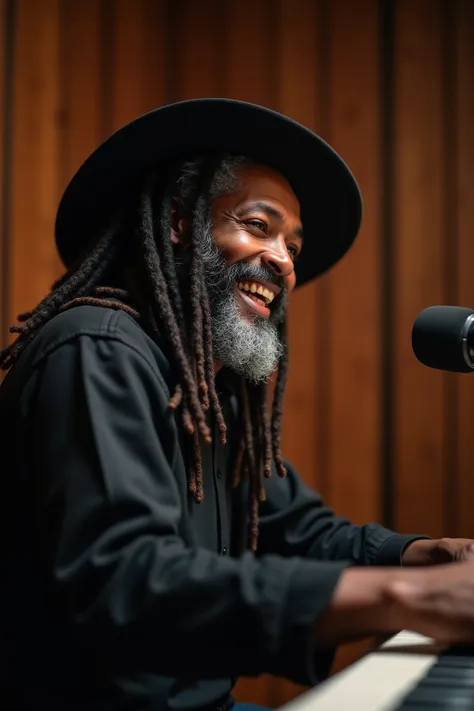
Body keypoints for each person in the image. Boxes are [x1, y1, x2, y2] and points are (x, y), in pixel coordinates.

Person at [1, 98, 474, 711]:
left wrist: (428, 554)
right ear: (178, 224)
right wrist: (411, 598)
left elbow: (297, 530)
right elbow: (128, 578)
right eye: (258, 226)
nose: (282, 259)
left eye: (293, 248)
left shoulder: (208, 391)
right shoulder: (97, 349)